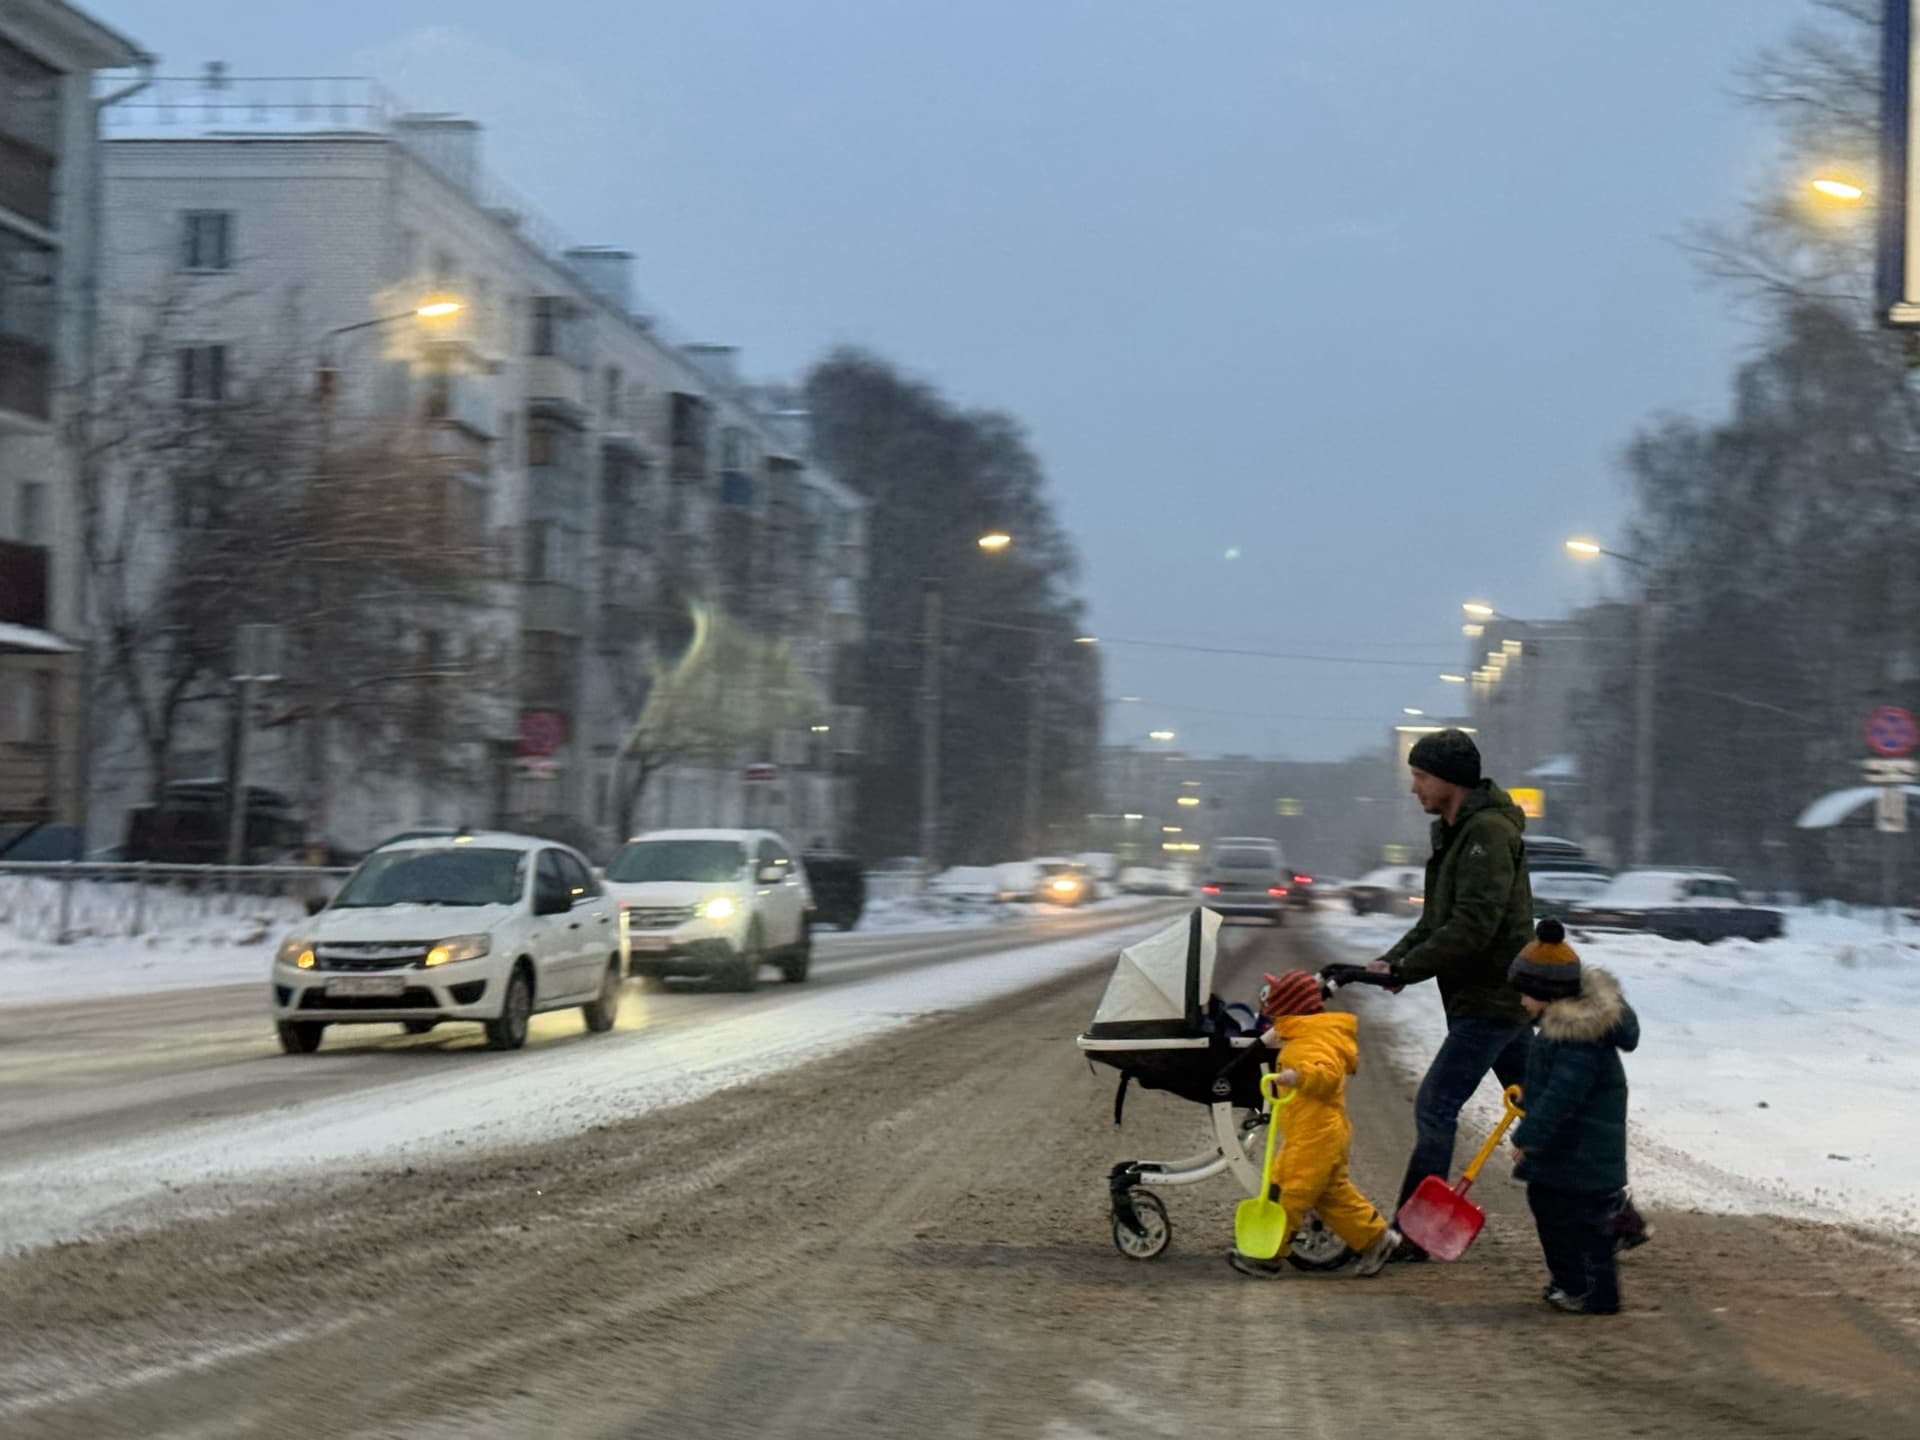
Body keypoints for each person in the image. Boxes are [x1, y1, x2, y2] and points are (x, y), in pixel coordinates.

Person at [1227, 970, 1398, 1280]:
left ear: (1288, 1008)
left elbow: (1328, 1074)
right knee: (1331, 1195)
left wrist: (1300, 1076)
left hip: (1314, 1135)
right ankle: (1376, 1238)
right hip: (1318, 1131)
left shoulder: (1312, 1040)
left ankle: (1268, 1256)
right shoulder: (1308, 1033)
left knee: (1289, 1191)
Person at [1506, 920, 1639, 1315]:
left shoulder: (1576, 1037)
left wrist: (1527, 1137)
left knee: (1574, 1221)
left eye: (1525, 994)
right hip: (1573, 1152)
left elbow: (1561, 1098)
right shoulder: (1562, 1029)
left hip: (1581, 1154)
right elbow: (1554, 1088)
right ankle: (1577, 1283)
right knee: (1567, 1214)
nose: (1521, 1002)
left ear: (1547, 994)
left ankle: (1586, 1290)